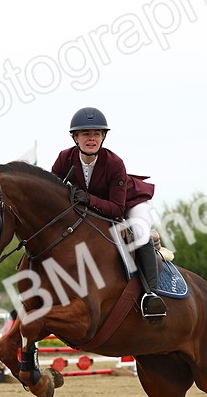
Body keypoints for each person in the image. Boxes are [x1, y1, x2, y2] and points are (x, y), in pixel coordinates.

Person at [51, 107, 165, 320]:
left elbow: (116, 209)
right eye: (86, 134)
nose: (91, 138)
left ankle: (152, 295)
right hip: (90, 208)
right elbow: (53, 193)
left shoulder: (114, 163)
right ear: (75, 137)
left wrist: (88, 199)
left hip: (128, 202)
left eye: (96, 134)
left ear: (103, 137)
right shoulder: (64, 159)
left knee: (140, 233)